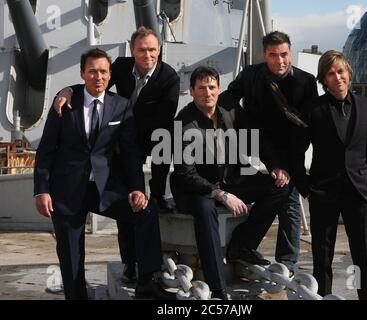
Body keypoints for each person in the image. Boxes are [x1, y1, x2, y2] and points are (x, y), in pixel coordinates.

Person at [34, 48, 174, 300]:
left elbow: (130, 153)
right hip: (67, 190)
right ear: (82, 74)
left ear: (110, 75)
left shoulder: (120, 106)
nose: (98, 77)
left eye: (103, 72)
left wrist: (136, 188)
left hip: (104, 189)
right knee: (71, 254)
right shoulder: (64, 104)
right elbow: (46, 150)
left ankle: (146, 282)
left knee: (146, 212)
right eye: (92, 71)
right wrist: (41, 189)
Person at [170, 66, 289, 299]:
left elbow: (256, 137)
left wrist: (274, 165)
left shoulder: (229, 109)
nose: (208, 93)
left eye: (212, 87)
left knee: (278, 188)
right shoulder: (182, 124)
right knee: (205, 210)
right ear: (192, 91)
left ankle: (241, 246)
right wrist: (220, 195)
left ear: (219, 89)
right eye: (201, 88)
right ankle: (218, 287)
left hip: (229, 180)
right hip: (195, 189)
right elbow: (185, 173)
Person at [222, 31, 318, 275]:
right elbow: (227, 100)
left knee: (288, 198)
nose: (280, 61)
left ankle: (284, 262)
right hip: (256, 148)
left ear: (291, 52)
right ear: (265, 55)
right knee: (280, 196)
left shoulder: (306, 82)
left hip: (291, 149)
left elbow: (306, 127)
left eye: (284, 54)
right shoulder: (251, 75)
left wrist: (286, 165)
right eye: (273, 55)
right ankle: (257, 251)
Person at [290, 50, 367, 300]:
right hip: (323, 193)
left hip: (360, 192)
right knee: (322, 258)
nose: (337, 77)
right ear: (324, 79)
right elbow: (296, 151)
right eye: (331, 73)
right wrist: (306, 188)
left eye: (340, 71)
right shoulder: (313, 109)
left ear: (348, 74)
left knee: (363, 261)